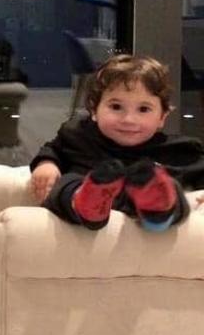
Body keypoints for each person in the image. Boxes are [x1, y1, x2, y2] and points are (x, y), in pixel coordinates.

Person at [30, 54, 204, 232]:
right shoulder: (79, 135)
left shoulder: (179, 149)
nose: (129, 119)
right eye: (116, 107)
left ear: (162, 117)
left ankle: (158, 209)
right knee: (67, 183)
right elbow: (53, 149)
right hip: (88, 195)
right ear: (94, 110)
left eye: (143, 109)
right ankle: (85, 203)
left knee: (169, 187)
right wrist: (47, 164)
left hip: (147, 208)